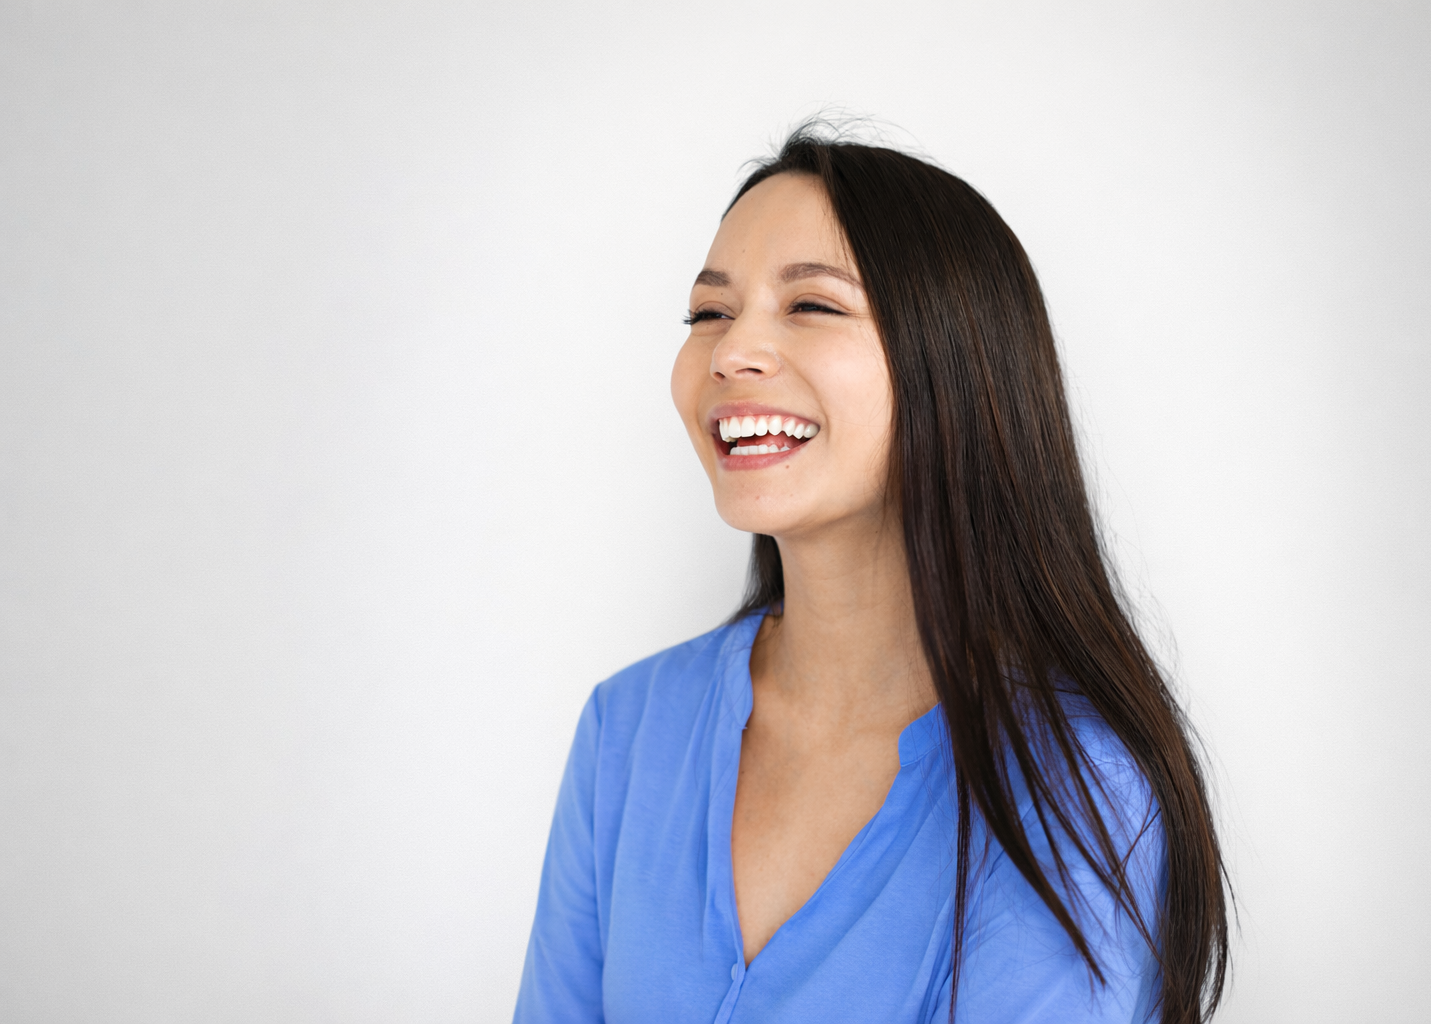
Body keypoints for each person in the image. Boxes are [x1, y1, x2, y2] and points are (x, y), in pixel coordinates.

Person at [513, 123, 1229, 1024]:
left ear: (956, 364)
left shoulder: (1077, 786)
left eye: (811, 306)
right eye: (709, 313)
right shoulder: (628, 728)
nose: (730, 353)